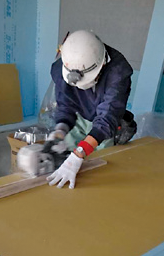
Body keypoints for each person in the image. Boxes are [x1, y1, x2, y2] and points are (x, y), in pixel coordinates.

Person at [46, 30, 135, 189]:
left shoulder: (118, 72)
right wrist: (60, 131)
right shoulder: (62, 68)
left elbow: (107, 117)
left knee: (101, 168)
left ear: (102, 65)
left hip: (104, 125)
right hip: (80, 118)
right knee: (66, 162)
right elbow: (65, 105)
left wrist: (79, 153)